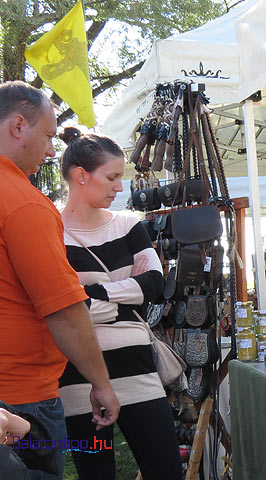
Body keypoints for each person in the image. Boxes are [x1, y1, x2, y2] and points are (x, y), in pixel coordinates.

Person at [0, 80, 120, 480]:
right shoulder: (22, 201)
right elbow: (63, 307)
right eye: (49, 136)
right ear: (19, 126)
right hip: (20, 396)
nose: (53, 150)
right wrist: (101, 383)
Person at [58, 127, 182, 480]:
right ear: (82, 176)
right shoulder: (49, 229)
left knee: (165, 469)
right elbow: (63, 308)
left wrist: (93, 295)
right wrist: (124, 294)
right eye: (112, 177)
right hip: (77, 377)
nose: (119, 187)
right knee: (96, 473)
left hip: (139, 370)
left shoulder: (128, 225)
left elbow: (155, 285)